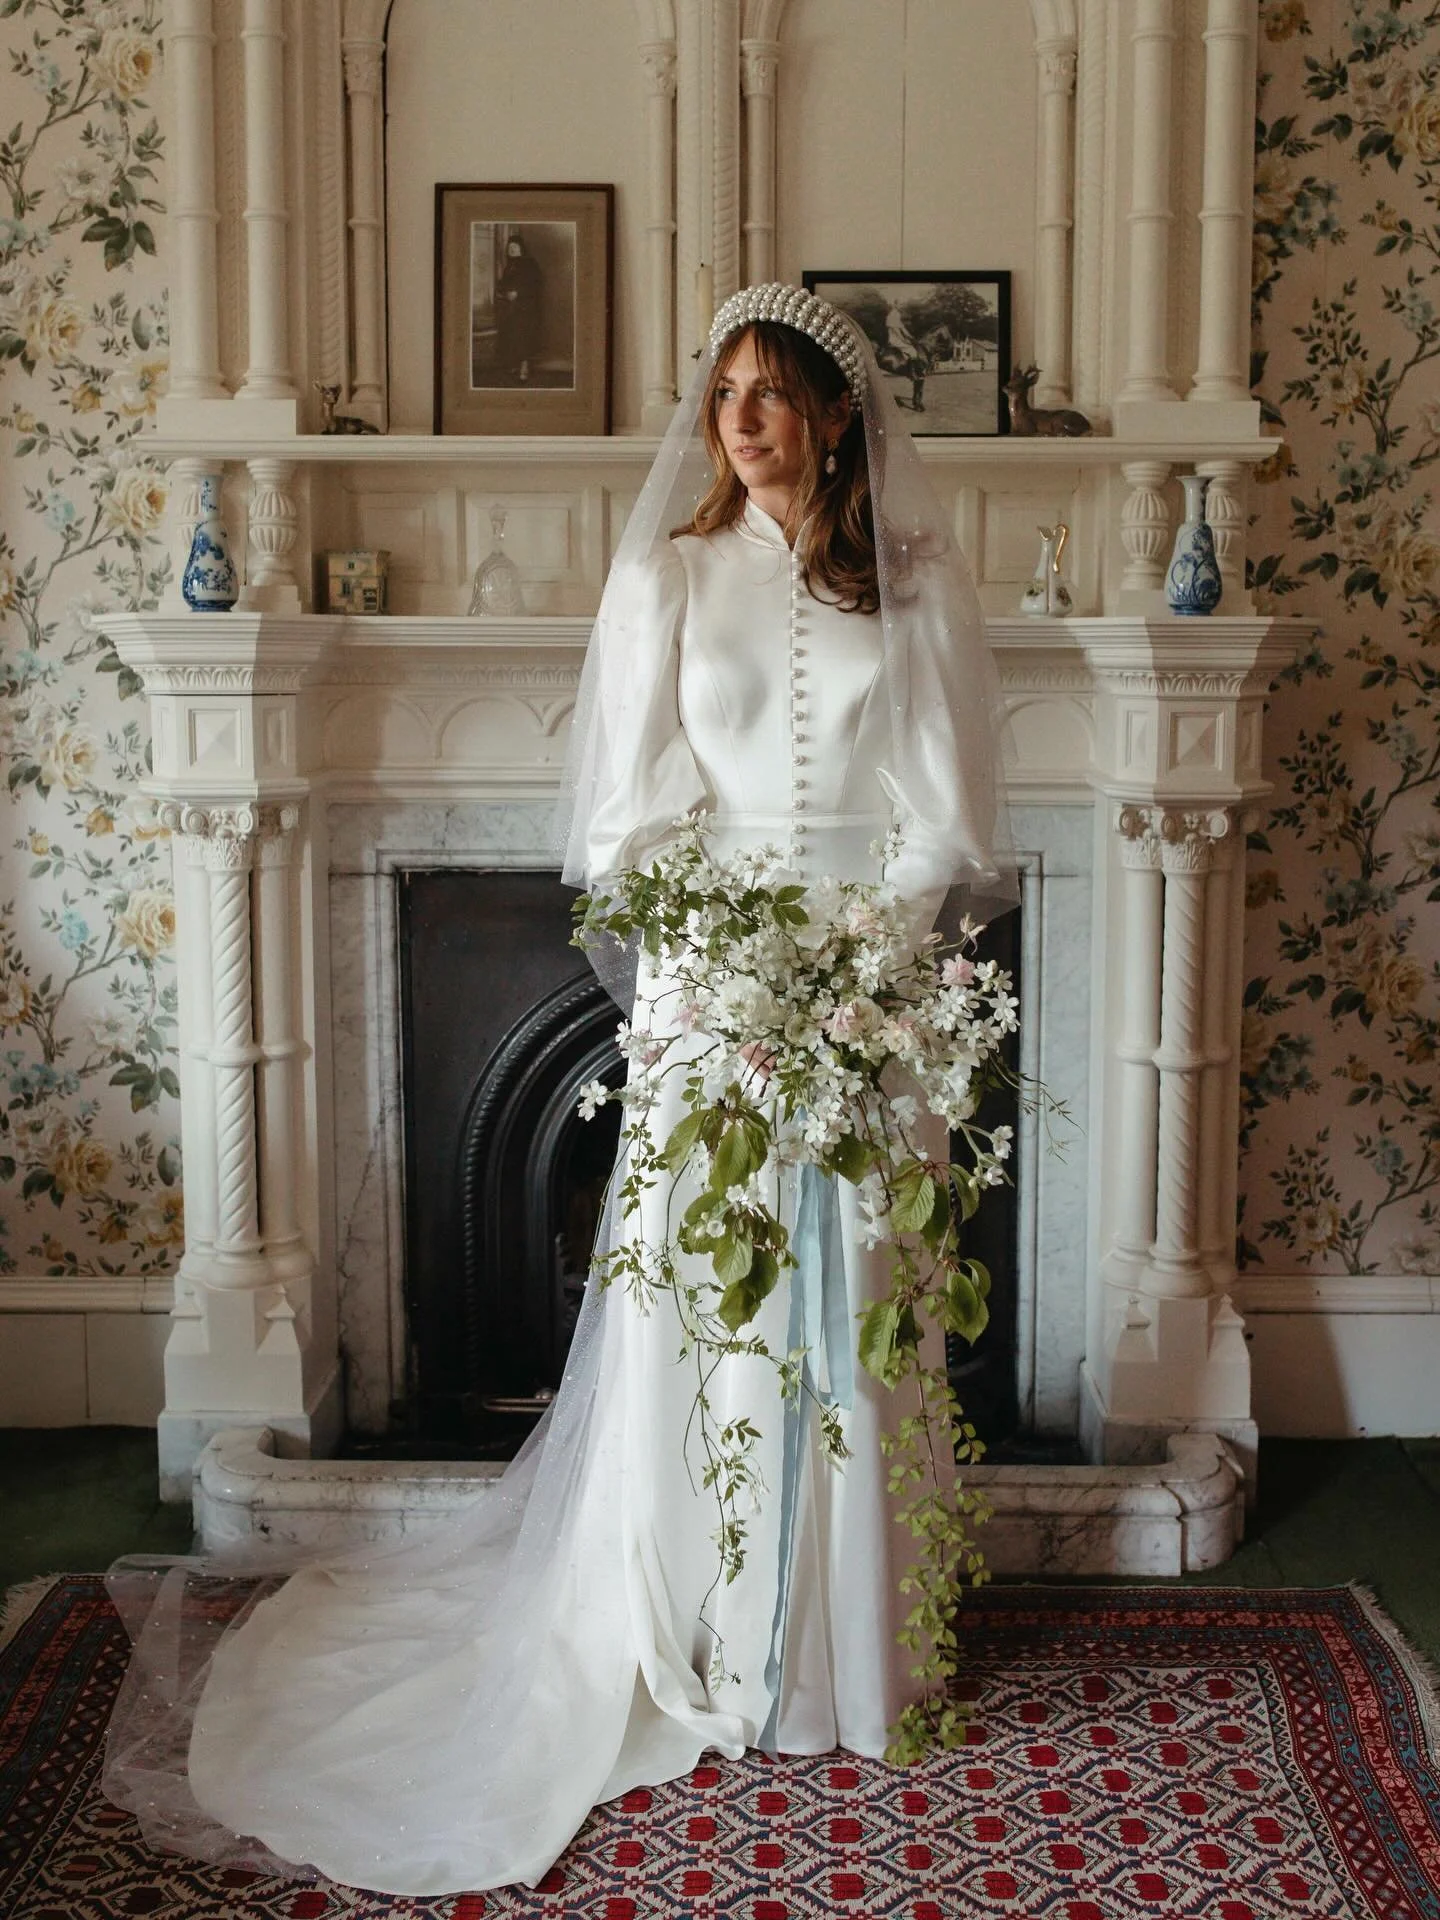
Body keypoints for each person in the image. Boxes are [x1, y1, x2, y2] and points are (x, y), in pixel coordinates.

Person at [101, 285, 1012, 1898]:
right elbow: (620, 828)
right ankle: (709, 1645)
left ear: (837, 417)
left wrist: (864, 973)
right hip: (714, 1009)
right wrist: (717, 978)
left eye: (773, 393)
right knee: (712, 1327)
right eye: (725, 390)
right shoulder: (664, 581)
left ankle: (844, 1658)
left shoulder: (919, 589)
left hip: (865, 1012)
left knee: (856, 1313)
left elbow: (947, 823)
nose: (740, 419)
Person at [494, 231, 542, 383]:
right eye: (510, 247)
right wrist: (503, 292)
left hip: (526, 307)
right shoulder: (509, 266)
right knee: (509, 334)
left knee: (522, 335)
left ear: (521, 248)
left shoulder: (530, 263)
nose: (512, 249)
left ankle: (524, 367)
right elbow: (502, 285)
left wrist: (518, 293)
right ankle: (513, 364)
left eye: (514, 246)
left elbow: (537, 284)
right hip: (510, 307)